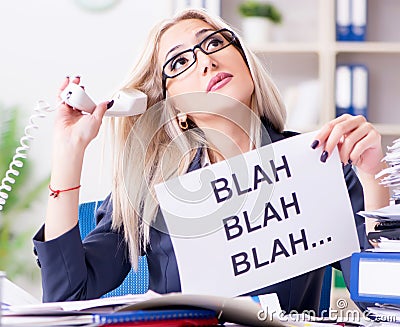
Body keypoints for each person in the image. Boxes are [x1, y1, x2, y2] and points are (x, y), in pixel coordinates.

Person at [33, 8, 389, 313]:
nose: (206, 60)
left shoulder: (320, 164)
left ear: (244, 60)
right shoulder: (152, 186)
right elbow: (66, 296)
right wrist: (69, 152)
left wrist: (373, 177)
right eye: (180, 62)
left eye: (215, 42)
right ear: (172, 107)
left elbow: (380, 300)